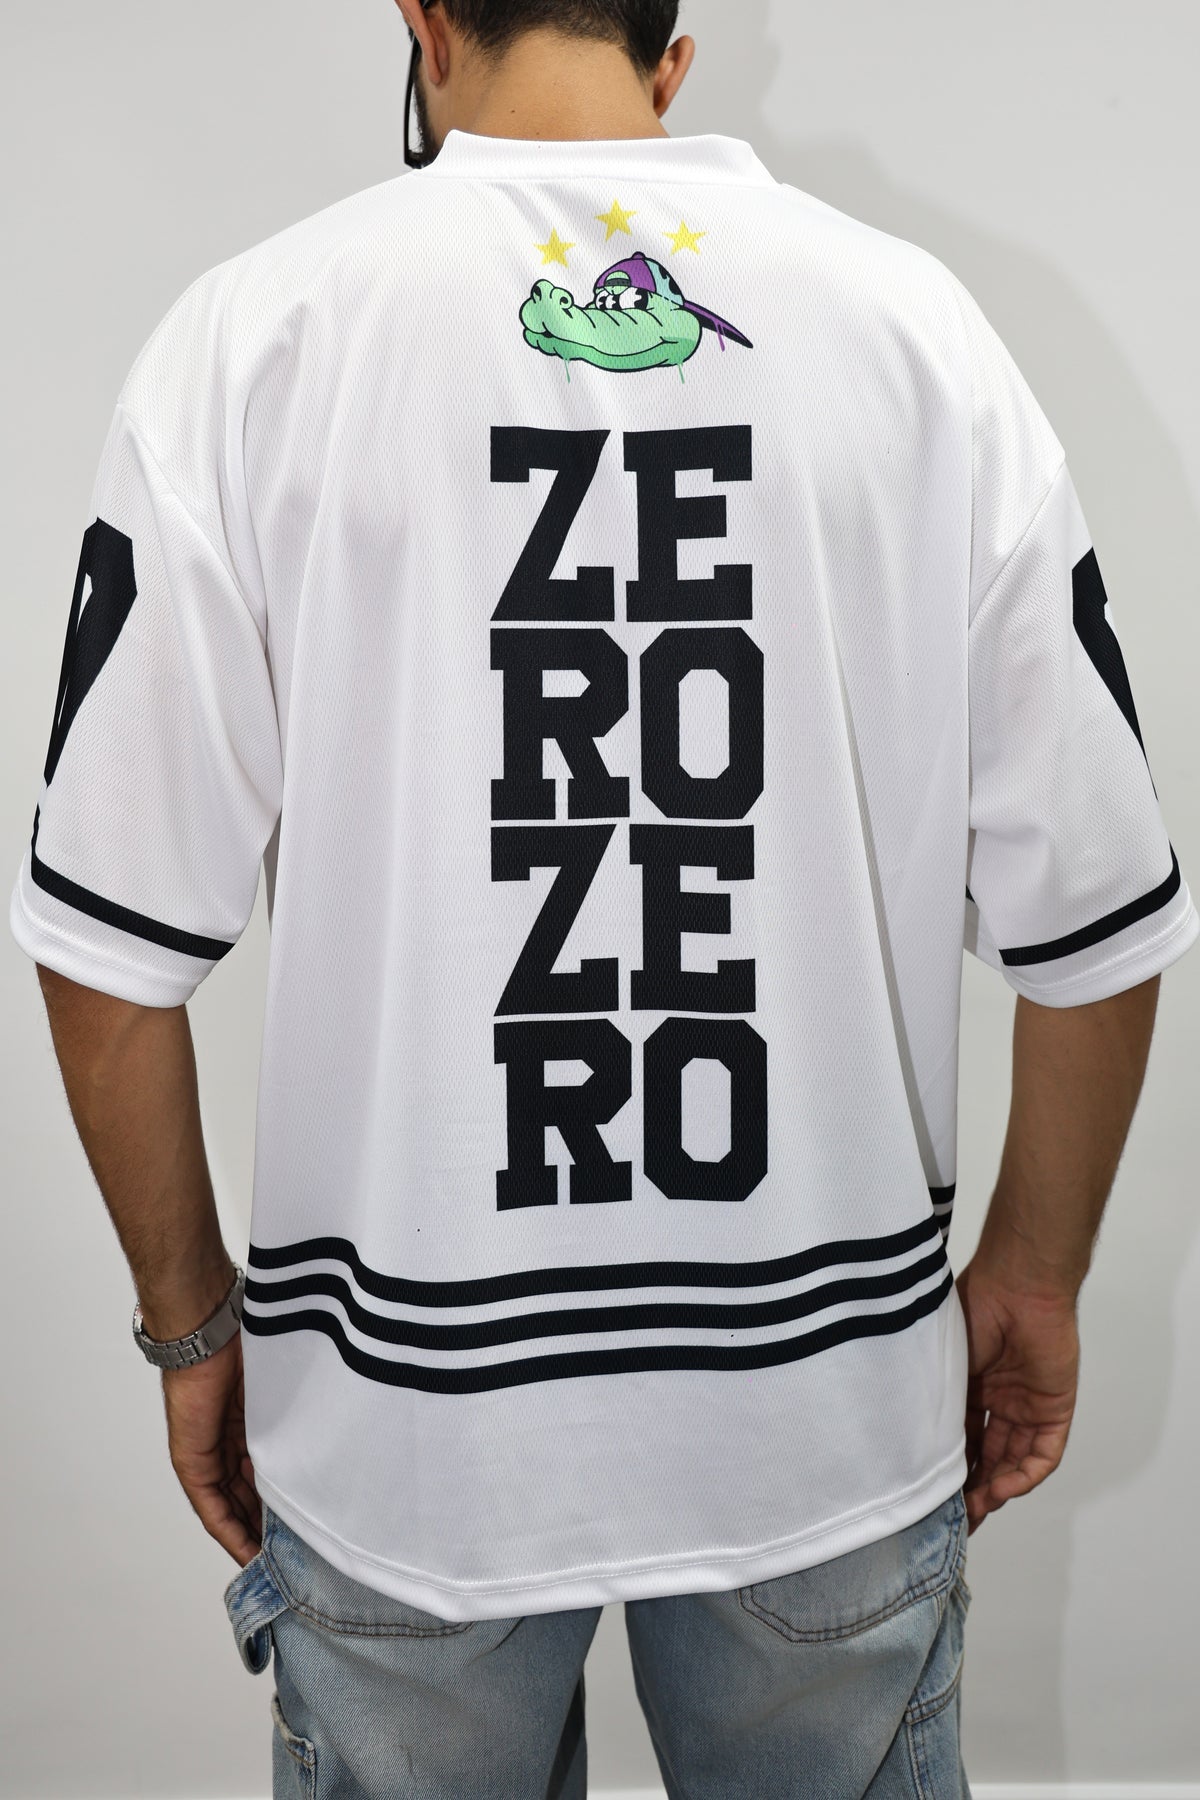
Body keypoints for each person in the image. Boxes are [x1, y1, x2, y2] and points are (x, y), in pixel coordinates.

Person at [10, 0, 1196, 1793]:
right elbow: (1099, 918)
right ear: (673, 60)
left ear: (422, 22)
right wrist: (1033, 1275)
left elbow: (106, 946)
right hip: (819, 1405)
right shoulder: (915, 339)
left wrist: (193, 1327)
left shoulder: (255, 341)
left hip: (410, 1427)